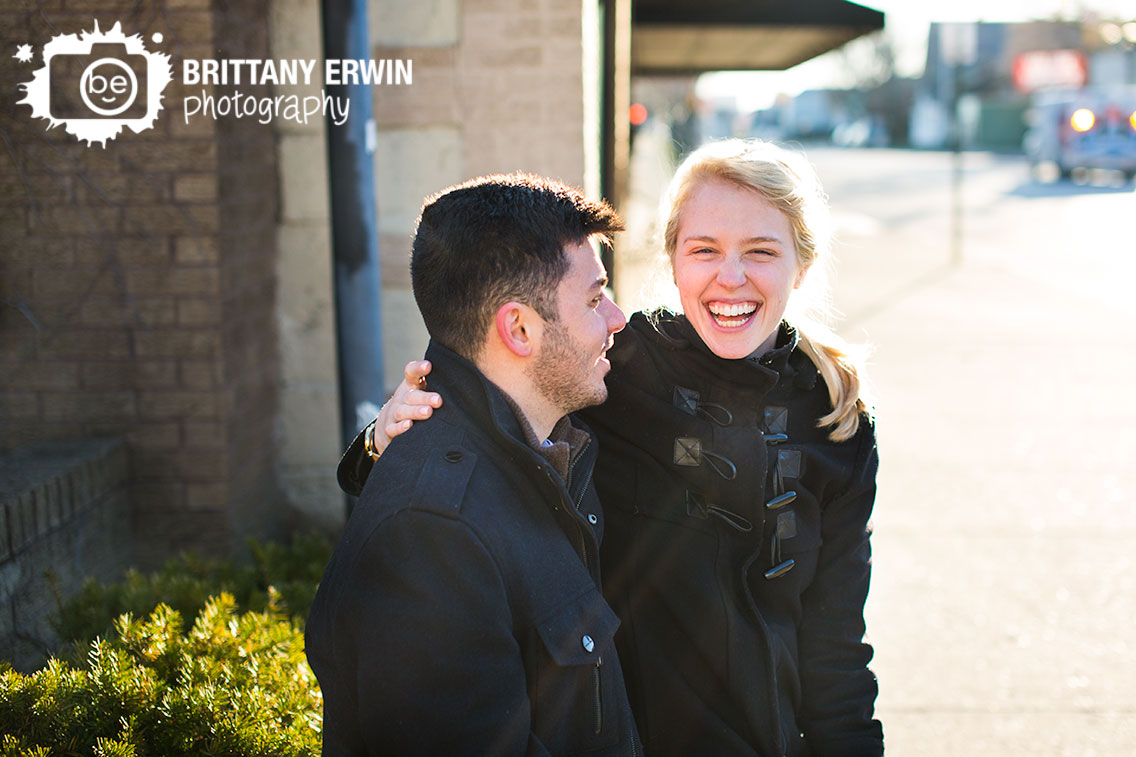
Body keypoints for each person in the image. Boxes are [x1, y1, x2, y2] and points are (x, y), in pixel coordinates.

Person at [347, 140, 883, 756]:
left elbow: (837, 649)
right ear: (673, 258)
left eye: (761, 252)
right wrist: (382, 438)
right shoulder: (611, 367)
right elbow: (486, 396)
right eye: (703, 249)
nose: (729, 277)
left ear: (802, 266)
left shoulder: (838, 417)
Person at [306, 173, 642, 756]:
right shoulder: (433, 536)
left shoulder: (551, 445)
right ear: (518, 328)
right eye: (594, 299)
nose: (617, 319)